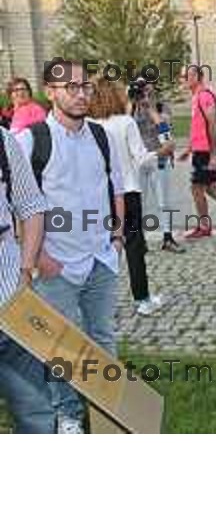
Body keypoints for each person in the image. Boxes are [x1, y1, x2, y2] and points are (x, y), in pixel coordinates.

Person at [17, 60, 125, 434]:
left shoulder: (101, 135)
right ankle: (67, 415)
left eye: (86, 87)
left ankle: (110, 409)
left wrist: (117, 237)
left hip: (101, 258)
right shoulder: (30, 140)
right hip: (56, 263)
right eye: (71, 87)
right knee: (61, 345)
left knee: (102, 336)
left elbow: (116, 188)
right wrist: (38, 258)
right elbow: (18, 203)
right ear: (51, 91)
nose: (81, 94)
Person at [88, 78, 168, 316]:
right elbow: (141, 157)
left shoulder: (90, 124)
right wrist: (161, 151)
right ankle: (142, 298)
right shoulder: (125, 123)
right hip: (128, 190)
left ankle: (98, 300)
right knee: (134, 246)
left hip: (101, 194)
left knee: (101, 245)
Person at [0, 126, 54, 433]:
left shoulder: (3, 140)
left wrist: (26, 271)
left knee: (36, 412)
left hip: (9, 298)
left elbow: (32, 205)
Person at [178, 66, 216, 239]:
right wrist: (189, 149)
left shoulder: (204, 96)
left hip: (206, 151)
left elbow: (212, 125)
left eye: (186, 76)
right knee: (210, 188)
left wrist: (213, 155)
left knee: (197, 188)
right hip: (200, 150)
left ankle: (204, 226)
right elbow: (199, 127)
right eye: (182, 76)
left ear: (197, 76)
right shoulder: (197, 96)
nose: (183, 79)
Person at [133, 79, 185, 253]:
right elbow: (126, 126)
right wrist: (132, 102)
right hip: (140, 160)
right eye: (142, 91)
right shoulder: (133, 108)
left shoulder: (162, 108)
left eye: (149, 91)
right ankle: (140, 239)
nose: (146, 95)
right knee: (140, 201)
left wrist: (151, 109)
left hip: (159, 158)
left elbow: (166, 133)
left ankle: (168, 237)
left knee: (164, 202)